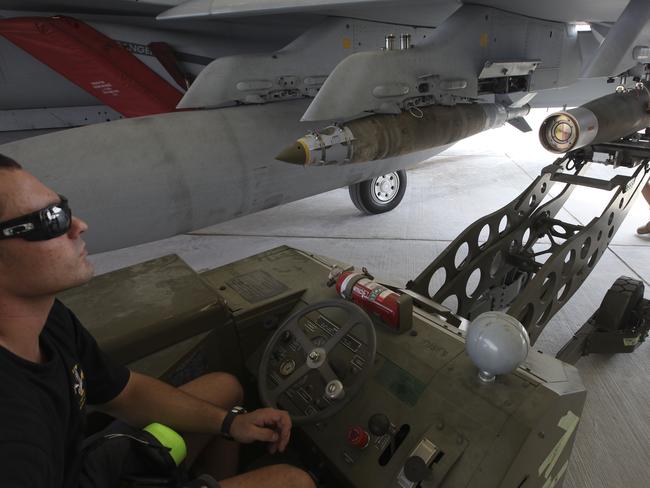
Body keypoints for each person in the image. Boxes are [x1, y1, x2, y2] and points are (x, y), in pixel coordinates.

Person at [0, 154, 315, 488]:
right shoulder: (15, 442)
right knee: (292, 481)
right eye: (51, 219)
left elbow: (127, 392)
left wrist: (229, 425)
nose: (78, 225)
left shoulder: (46, 318)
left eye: (62, 207)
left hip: (85, 469)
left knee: (225, 389)